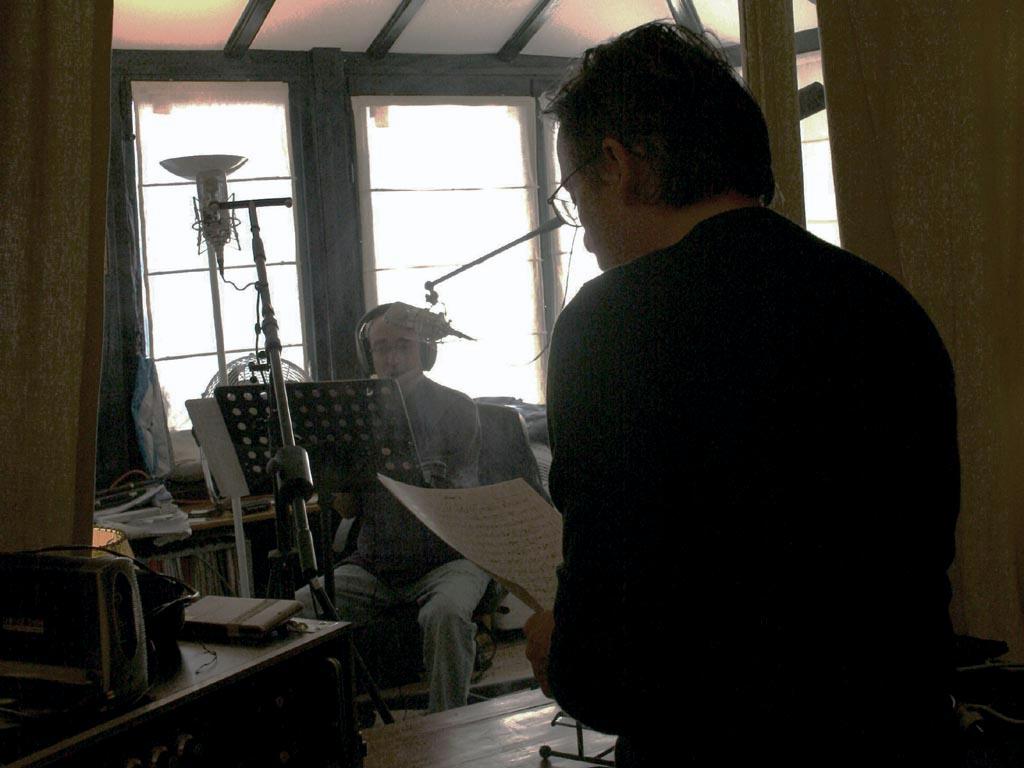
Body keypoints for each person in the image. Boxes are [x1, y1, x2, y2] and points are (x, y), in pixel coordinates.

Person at [523, 21, 960, 767]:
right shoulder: (883, 303)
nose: (584, 231)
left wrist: (559, 652)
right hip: (903, 733)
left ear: (617, 166)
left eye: (573, 192)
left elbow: (612, 660)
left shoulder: (612, 323)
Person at [297, 302, 491, 713]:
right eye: (381, 348)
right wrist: (329, 465)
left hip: (448, 560)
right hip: (376, 564)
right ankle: (330, 728)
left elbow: (462, 497)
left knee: (447, 615)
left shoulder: (457, 407)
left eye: (403, 346)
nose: (392, 358)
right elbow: (349, 508)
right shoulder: (355, 414)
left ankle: (448, 727)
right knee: (299, 611)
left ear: (425, 350)